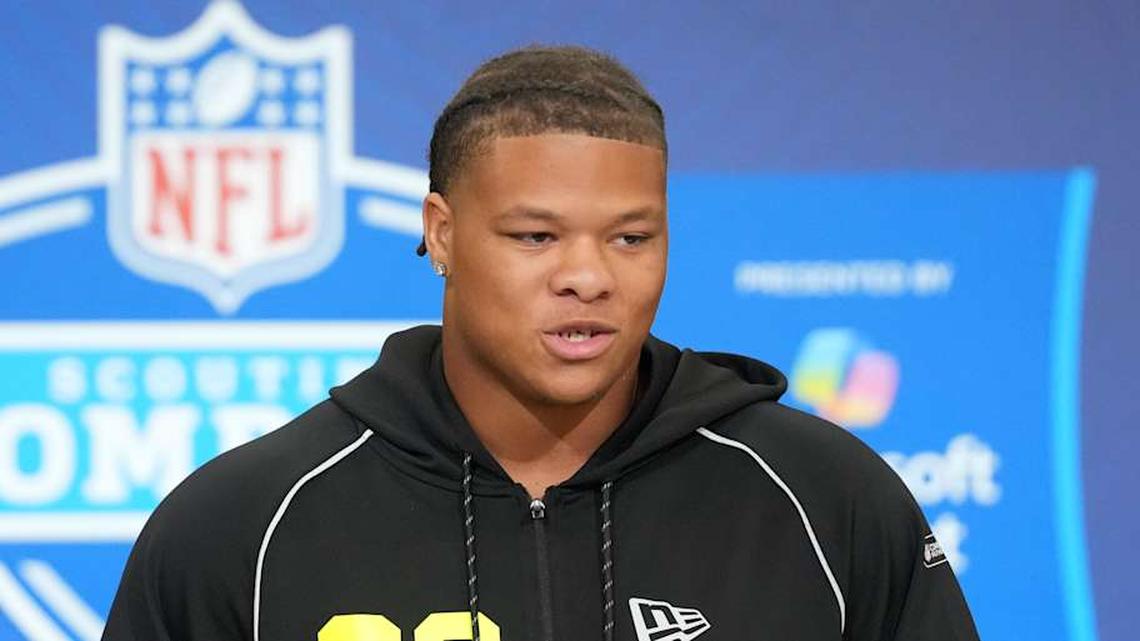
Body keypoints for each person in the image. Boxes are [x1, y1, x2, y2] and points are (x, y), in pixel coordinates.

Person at [102, 46, 980, 641]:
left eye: (631, 238)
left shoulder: (827, 501)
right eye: (535, 237)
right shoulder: (243, 526)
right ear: (441, 233)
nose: (590, 277)